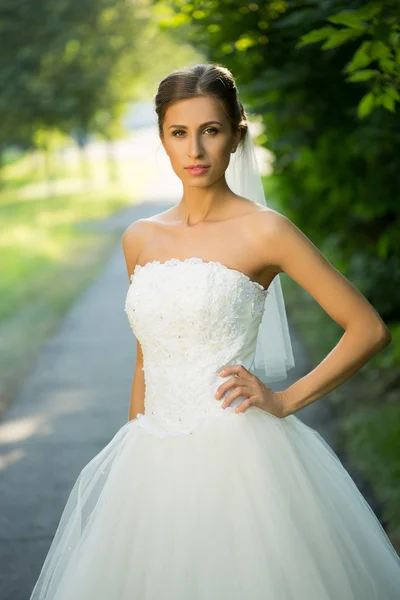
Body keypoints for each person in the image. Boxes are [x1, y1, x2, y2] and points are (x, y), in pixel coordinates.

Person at [29, 63, 400, 599]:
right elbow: (146, 357)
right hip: (151, 455)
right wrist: (134, 456)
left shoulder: (265, 230)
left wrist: (285, 400)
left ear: (236, 136)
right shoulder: (140, 238)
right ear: (162, 139)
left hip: (239, 457)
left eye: (211, 130)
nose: (195, 151)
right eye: (179, 133)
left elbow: (368, 329)